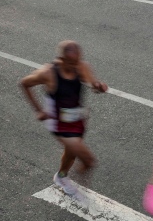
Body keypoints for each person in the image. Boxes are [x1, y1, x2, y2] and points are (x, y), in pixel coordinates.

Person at [20, 40, 108, 195]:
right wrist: (39, 110)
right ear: (61, 59)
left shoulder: (81, 66)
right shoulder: (48, 73)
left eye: (78, 60)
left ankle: (61, 176)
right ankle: (70, 181)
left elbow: (94, 85)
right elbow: (24, 83)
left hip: (77, 119)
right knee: (88, 161)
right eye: (71, 62)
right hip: (57, 123)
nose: (76, 66)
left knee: (71, 153)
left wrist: (99, 87)